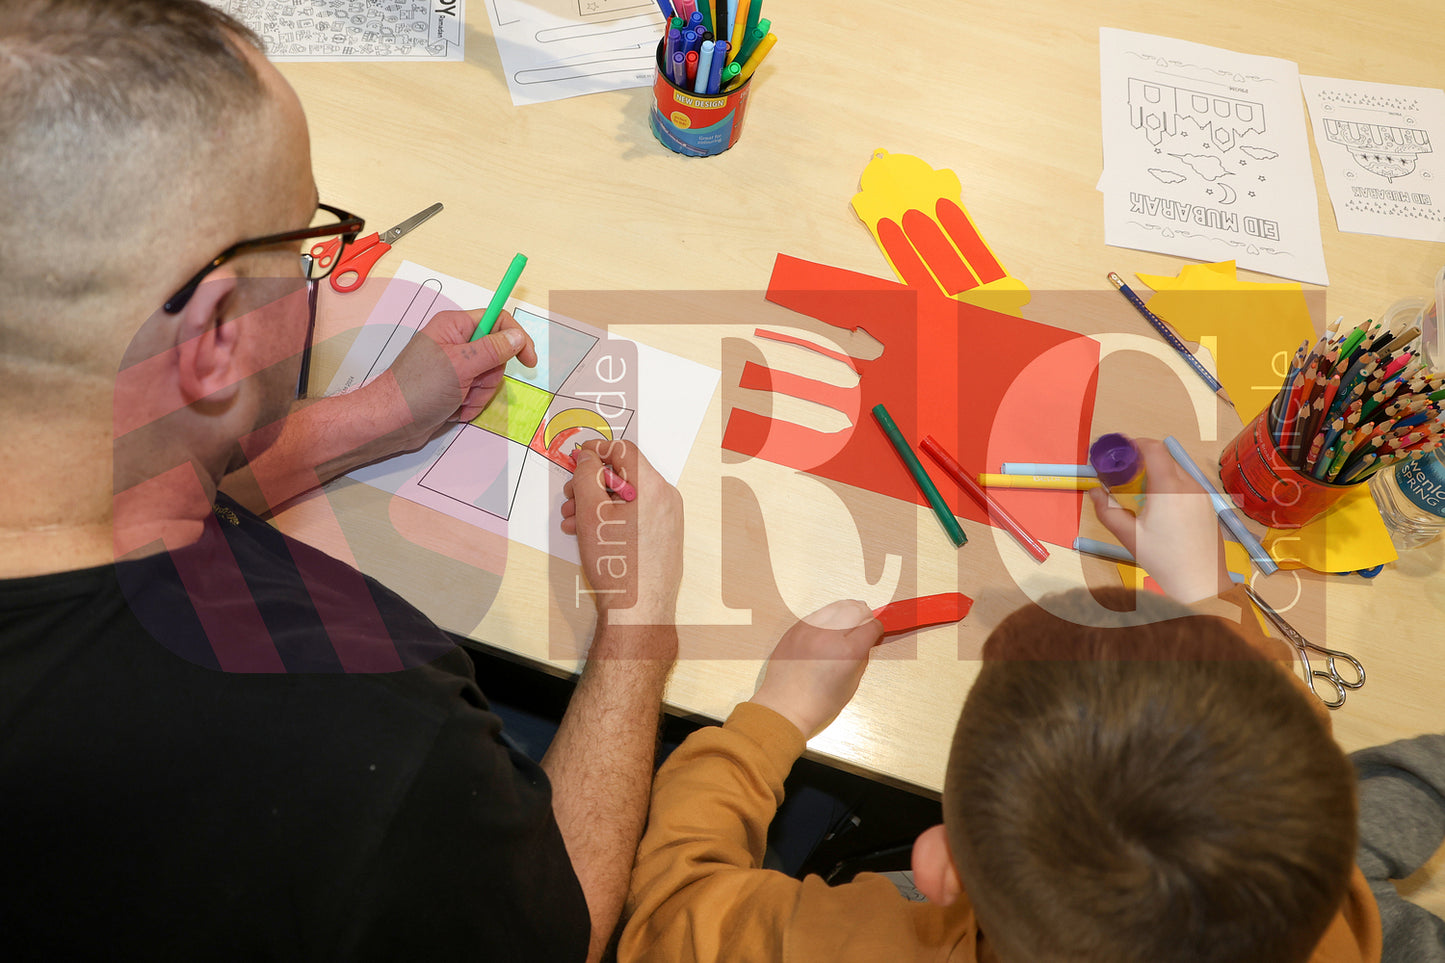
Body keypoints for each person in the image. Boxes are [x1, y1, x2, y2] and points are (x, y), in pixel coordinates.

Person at [0, 2, 682, 960]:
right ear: (216, 336)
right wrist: (640, 627)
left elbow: (132, 492)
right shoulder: (357, 730)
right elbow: (558, 920)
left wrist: (377, 416)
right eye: (305, 246)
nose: (315, 271)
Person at [618, 439, 1382, 963]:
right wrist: (1204, 602)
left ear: (938, 865)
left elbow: (667, 914)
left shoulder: (851, 946)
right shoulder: (1320, 918)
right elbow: (1284, 750)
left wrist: (772, 717)